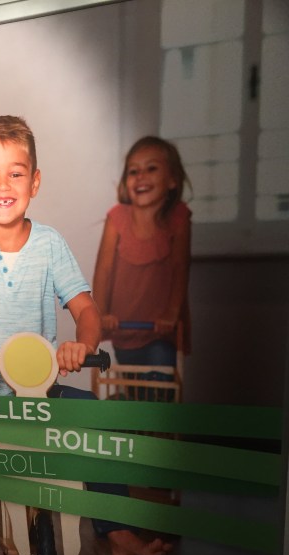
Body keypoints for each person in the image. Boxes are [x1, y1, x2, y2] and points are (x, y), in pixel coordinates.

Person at [0, 115, 172, 555]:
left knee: (94, 417)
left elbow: (87, 311)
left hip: (39, 395)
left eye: (16, 173)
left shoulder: (49, 244)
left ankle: (116, 530)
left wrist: (83, 346)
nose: (3, 185)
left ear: (35, 182)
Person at [92, 136, 192, 376]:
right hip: (123, 328)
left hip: (159, 331)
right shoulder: (117, 218)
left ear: (172, 180)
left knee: (160, 383)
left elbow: (181, 268)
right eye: (133, 171)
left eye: (151, 169)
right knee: (132, 385)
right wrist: (101, 313)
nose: (140, 177)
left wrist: (171, 314)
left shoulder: (178, 217)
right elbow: (103, 270)